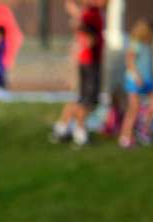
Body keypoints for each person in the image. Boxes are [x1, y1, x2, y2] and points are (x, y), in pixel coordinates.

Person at [50, 0, 107, 147]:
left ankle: (62, 128)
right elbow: (83, 32)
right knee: (87, 100)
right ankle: (79, 132)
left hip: (88, 61)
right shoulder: (90, 13)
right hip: (90, 62)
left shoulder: (89, 12)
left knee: (84, 99)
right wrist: (88, 41)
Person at [119, 20, 153, 149]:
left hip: (148, 80)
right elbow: (129, 62)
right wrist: (137, 76)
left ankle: (143, 128)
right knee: (134, 109)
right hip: (135, 81)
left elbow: (150, 63)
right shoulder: (135, 44)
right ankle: (125, 137)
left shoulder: (150, 45)